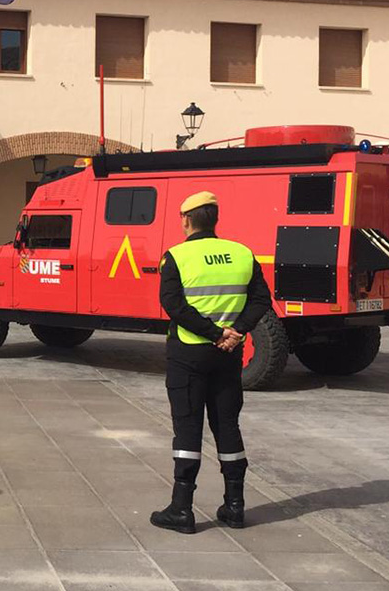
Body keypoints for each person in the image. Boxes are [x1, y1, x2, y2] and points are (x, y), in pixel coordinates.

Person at [150, 191, 271, 534]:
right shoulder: (242, 253)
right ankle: (235, 507)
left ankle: (181, 509)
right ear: (215, 219)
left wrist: (212, 332)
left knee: (188, 428)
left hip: (189, 354)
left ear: (187, 220)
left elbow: (174, 306)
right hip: (228, 356)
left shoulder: (176, 256)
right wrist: (235, 332)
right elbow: (262, 298)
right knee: (227, 426)